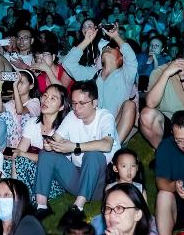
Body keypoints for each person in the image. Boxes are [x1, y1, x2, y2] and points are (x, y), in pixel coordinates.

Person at [34, 80, 120, 226]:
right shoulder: (71, 116)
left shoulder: (105, 117)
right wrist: (50, 144)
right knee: (46, 154)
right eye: (74, 103)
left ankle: (77, 208)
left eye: (82, 103)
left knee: (93, 154)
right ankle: (41, 206)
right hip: (77, 177)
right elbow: (57, 137)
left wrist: (75, 147)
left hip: (100, 180)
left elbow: (106, 144)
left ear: (94, 103)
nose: (77, 108)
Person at [139, 46, 184, 149]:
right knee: (147, 114)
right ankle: (163, 152)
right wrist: (166, 74)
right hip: (167, 123)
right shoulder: (159, 71)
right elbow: (150, 103)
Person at [10, 83, 68, 202]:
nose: (46, 100)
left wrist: (22, 154)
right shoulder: (32, 123)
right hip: (31, 168)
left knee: (20, 162)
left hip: (53, 179)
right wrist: (9, 153)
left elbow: (49, 160)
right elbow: (19, 151)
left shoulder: (64, 128)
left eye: (53, 98)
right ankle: (14, 197)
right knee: (3, 163)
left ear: (61, 106)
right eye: (45, 95)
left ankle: (21, 201)